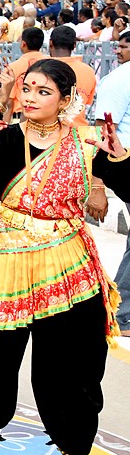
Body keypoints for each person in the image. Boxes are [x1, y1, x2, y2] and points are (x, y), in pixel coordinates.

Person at [0, 59, 129, 455]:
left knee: (74, 360)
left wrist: (121, 157)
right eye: (28, 88)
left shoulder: (87, 142)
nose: (30, 98)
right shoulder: (5, 137)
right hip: (7, 254)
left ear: (66, 99)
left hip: (67, 259)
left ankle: (73, 448)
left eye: (43, 91)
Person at [93, 30, 130, 337]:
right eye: (117, 44)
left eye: (123, 45)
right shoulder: (120, 79)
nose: (119, 50)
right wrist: (96, 186)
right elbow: (103, 134)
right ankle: (123, 313)